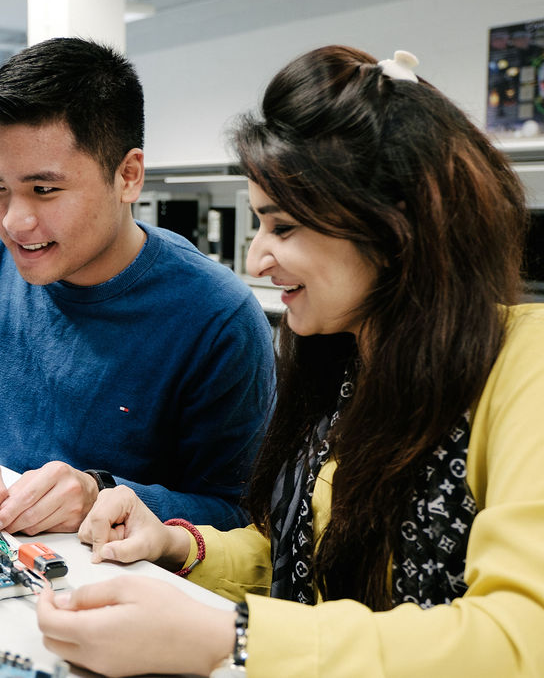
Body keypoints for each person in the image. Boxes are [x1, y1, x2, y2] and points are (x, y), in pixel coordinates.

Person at [36, 45, 544, 677]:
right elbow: (304, 556)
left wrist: (233, 638)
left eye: (283, 228)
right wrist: (177, 545)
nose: (255, 261)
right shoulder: (346, 355)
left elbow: (521, 639)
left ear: (392, 227)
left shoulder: (527, 366)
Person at [0, 37, 275, 535]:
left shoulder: (217, 316)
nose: (14, 222)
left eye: (44, 190)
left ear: (128, 176)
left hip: (123, 587)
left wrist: (101, 496)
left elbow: (240, 519)